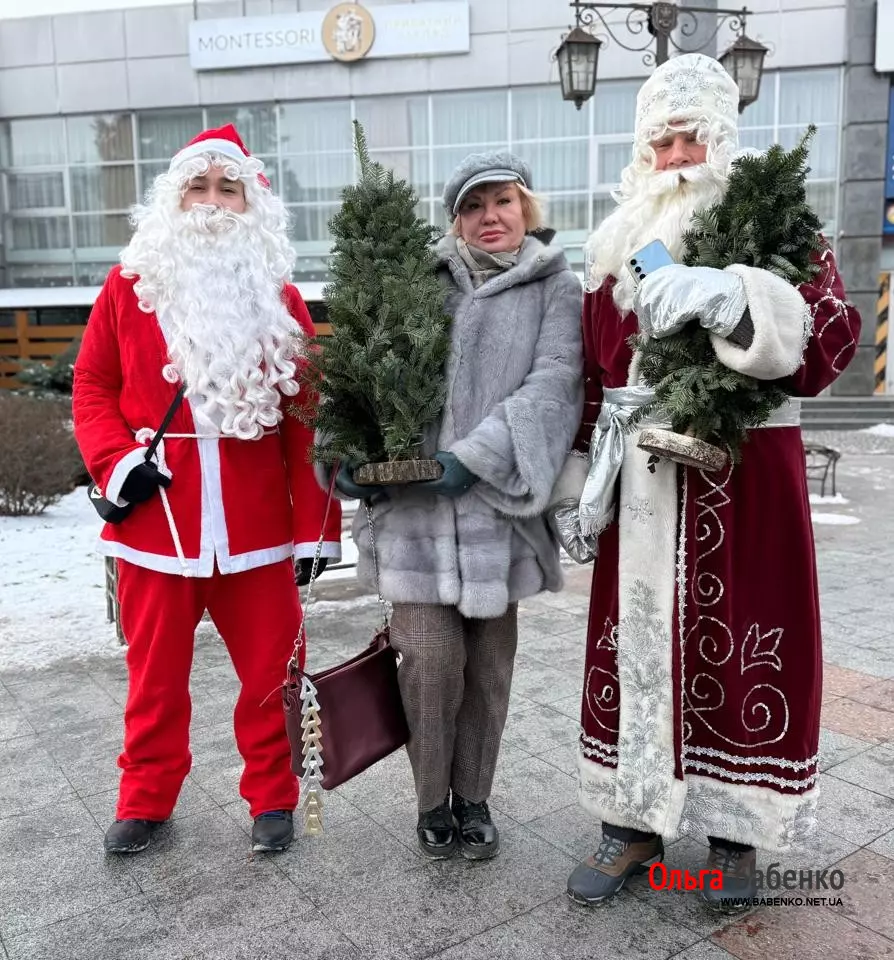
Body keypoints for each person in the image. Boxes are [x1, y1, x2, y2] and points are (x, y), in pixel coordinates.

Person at [555, 55, 862, 910]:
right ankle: (631, 822)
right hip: (641, 490)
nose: (676, 153)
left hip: (746, 477)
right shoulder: (615, 246)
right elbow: (594, 376)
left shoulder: (782, 227)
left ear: (724, 139)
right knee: (633, 644)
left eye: (692, 135)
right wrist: (579, 485)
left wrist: (737, 298)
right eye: (660, 140)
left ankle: (736, 831)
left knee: (746, 637)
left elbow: (831, 345)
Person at [73, 124, 342, 856]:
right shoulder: (129, 288)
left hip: (258, 528)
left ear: (253, 205)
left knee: (273, 673)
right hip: (157, 520)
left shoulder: (279, 298)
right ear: (175, 197)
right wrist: (115, 462)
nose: (214, 202)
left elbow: (308, 421)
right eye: (199, 186)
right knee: (154, 678)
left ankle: (274, 795)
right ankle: (145, 797)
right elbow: (92, 384)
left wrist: (316, 530)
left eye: (230, 189)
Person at [334, 152, 583, 860]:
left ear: (525, 207)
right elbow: (359, 372)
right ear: (455, 220)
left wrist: (474, 458)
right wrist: (348, 453)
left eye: (502, 201)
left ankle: (473, 797)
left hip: (496, 518)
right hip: (412, 517)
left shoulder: (555, 287)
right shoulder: (417, 280)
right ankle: (428, 800)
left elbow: (554, 387)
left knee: (488, 668)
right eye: (473, 206)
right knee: (429, 661)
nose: (489, 217)